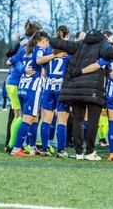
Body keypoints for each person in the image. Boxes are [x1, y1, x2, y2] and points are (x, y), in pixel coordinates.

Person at [49, 29, 113, 161]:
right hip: (93, 90)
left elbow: (55, 42)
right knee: (93, 121)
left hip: (76, 89)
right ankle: (90, 152)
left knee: (78, 121)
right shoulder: (103, 44)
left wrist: (54, 39)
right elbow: (110, 52)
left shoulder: (79, 44)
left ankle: (79, 152)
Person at [80, 27, 113, 162]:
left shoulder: (111, 53)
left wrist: (81, 71)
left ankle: (111, 154)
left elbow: (97, 65)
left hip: (111, 91)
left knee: (112, 124)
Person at [8, 30, 50, 156]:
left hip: (22, 87)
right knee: (28, 119)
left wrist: (23, 69)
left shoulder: (24, 49)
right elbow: (38, 61)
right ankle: (16, 148)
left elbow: (10, 61)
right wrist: (54, 56)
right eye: (46, 42)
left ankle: (31, 147)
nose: (47, 44)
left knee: (34, 118)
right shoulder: (39, 49)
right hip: (33, 88)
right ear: (42, 41)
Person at [4, 20, 42, 153]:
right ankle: (12, 145)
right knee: (20, 116)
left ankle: (16, 144)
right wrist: (23, 70)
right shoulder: (26, 45)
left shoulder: (27, 44)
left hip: (15, 83)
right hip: (15, 82)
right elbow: (11, 60)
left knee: (18, 115)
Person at [39, 26, 71, 157]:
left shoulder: (49, 51)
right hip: (62, 89)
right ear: (67, 36)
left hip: (48, 87)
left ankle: (45, 149)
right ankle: (61, 151)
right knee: (62, 121)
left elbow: (44, 72)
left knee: (46, 119)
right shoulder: (69, 52)